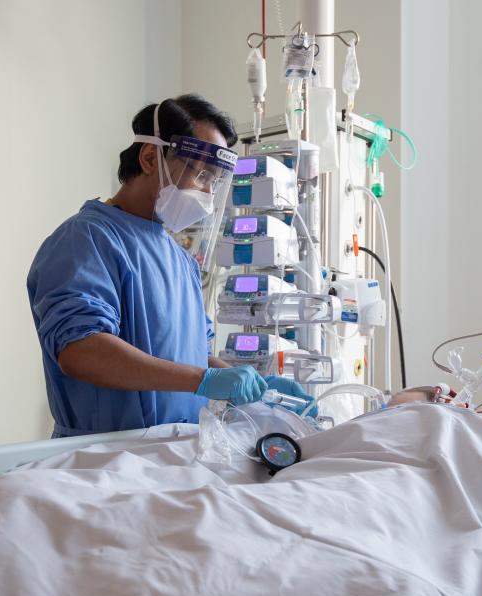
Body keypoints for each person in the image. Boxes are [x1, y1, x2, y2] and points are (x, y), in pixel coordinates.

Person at [28, 94, 313, 437]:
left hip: (174, 452)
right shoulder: (85, 240)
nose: (208, 192)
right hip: (100, 459)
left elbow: (191, 356)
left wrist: (258, 390)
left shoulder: (181, 260)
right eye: (203, 175)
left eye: (215, 181)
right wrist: (204, 381)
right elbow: (82, 351)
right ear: (150, 158)